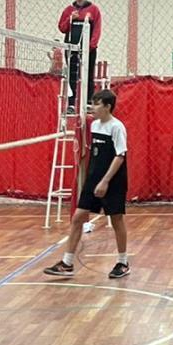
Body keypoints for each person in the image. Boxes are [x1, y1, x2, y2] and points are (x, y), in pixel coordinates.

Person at [44, 89, 130, 278]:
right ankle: (67, 263)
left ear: (108, 107)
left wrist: (105, 181)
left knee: (116, 219)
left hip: (112, 180)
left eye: (97, 104)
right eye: (92, 103)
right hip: (94, 180)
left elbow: (120, 156)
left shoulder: (117, 127)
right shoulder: (94, 126)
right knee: (78, 218)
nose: (93, 107)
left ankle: (123, 262)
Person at [58, 0, 102, 114]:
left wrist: (91, 46)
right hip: (71, 47)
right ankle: (71, 104)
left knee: (87, 74)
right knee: (71, 74)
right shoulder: (68, 10)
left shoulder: (93, 10)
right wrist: (70, 19)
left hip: (88, 49)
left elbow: (97, 30)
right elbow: (62, 28)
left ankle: (88, 102)